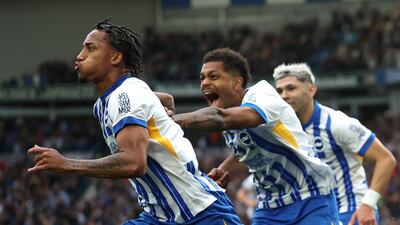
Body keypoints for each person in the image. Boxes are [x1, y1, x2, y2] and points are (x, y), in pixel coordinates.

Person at [27, 19, 242, 225]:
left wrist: (66, 164)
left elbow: (134, 163)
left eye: (90, 48)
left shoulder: (126, 94)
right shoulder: (109, 101)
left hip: (201, 214)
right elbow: (167, 98)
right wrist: (164, 118)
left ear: (115, 58)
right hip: (159, 217)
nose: (80, 56)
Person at [172, 48, 339, 225]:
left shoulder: (262, 97)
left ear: (237, 83)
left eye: (213, 76)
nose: (205, 83)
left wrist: (175, 120)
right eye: (202, 78)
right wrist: (224, 168)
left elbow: (221, 118)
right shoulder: (228, 112)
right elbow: (246, 145)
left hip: (310, 198)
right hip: (268, 207)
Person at [273, 63, 397, 225]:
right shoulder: (284, 131)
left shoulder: (336, 123)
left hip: (350, 213)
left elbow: (386, 159)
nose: (284, 96)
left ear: (311, 90)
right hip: (314, 216)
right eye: (280, 91)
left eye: (291, 88)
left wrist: (368, 204)